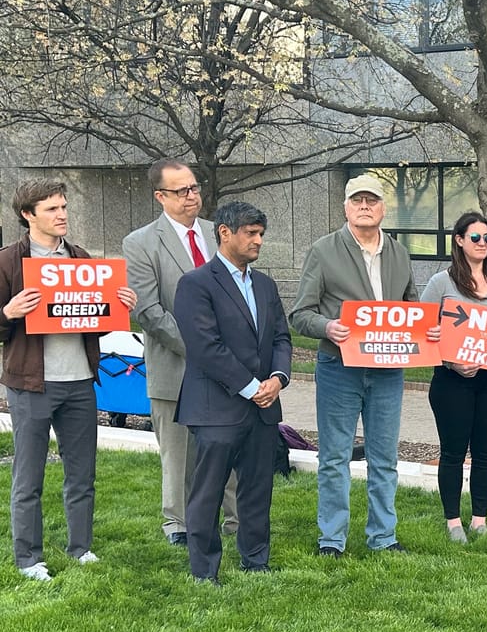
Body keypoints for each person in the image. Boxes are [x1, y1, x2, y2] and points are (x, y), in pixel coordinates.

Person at [0, 179, 137, 581]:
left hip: (80, 381)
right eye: (52, 209)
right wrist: (8, 312)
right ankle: (28, 558)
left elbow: (93, 321)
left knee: (82, 473)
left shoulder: (81, 258)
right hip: (31, 383)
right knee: (29, 476)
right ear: (28, 215)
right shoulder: (9, 262)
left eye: (63, 207)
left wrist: (119, 306)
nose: (62, 215)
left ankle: (81, 548)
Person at [290, 173, 417, 557]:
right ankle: (332, 539)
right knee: (334, 457)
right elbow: (300, 314)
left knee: (385, 458)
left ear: (383, 208)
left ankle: (383, 537)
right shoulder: (323, 250)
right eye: (357, 200)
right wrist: (327, 326)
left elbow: (411, 308)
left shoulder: (399, 253)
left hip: (388, 371)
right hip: (339, 367)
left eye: (372, 200)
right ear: (345, 207)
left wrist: (423, 328)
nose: (365, 206)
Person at [122, 159, 239, 547]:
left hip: (230, 368)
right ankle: (179, 524)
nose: (192, 196)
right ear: (160, 196)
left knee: (230, 448)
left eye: (194, 187)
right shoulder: (140, 242)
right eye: (181, 190)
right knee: (179, 454)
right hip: (176, 366)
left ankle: (237, 521)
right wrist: (204, 351)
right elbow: (148, 310)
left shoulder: (218, 232)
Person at [174, 201, 291, 585]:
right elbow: (205, 347)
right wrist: (252, 387)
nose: (258, 241)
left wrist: (278, 378)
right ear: (225, 232)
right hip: (215, 408)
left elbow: (281, 338)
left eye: (261, 234)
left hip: (263, 408)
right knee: (207, 493)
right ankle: (204, 571)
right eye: (251, 233)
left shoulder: (266, 285)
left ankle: (256, 561)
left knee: (258, 489)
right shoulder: (196, 284)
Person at [421, 211, 487, 543]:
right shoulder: (441, 283)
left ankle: (480, 519)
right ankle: (453, 522)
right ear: (459, 240)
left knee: (485, 452)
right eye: (475, 237)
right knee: (452, 452)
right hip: (451, 381)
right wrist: (452, 363)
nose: (482, 243)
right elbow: (423, 332)